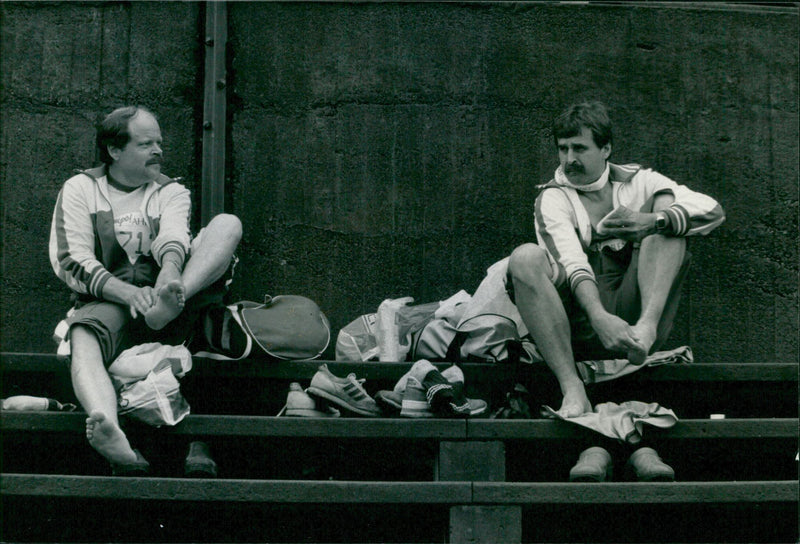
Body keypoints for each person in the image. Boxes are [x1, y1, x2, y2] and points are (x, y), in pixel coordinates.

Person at [505, 100, 725, 480]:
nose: (569, 159)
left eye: (580, 148)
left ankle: (646, 329)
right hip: (578, 321)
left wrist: (652, 221)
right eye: (563, 148)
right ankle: (572, 388)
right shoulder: (552, 197)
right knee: (524, 258)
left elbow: (713, 210)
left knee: (669, 214)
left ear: (605, 149)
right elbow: (572, 263)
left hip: (637, 316)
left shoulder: (640, 181)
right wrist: (600, 317)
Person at [49, 106, 242, 474]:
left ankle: (170, 301)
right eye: (145, 143)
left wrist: (170, 280)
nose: (158, 150)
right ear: (114, 150)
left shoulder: (171, 190)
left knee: (227, 224)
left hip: (168, 297)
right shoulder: (80, 189)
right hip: (109, 301)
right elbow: (70, 259)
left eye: (159, 142)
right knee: (83, 335)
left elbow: (173, 238)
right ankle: (107, 426)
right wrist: (128, 294)